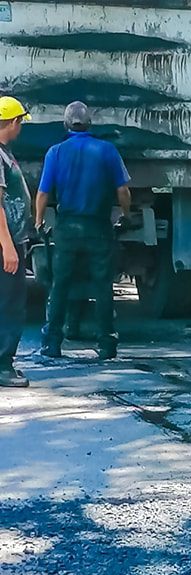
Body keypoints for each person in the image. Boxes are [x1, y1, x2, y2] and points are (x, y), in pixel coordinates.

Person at [36, 101, 131, 361]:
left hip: (67, 227)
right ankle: (107, 344)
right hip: (99, 226)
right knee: (102, 285)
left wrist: (38, 221)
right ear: (89, 124)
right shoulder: (107, 151)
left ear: (66, 125)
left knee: (60, 285)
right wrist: (125, 214)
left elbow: (43, 193)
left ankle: (52, 342)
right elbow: (122, 191)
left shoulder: (56, 152)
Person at [0, 96, 32, 389]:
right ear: (12, 122)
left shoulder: (3, 152)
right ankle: (3, 365)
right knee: (9, 304)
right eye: (20, 121)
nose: (21, 127)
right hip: (4, 244)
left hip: (10, 239)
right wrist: (7, 246)